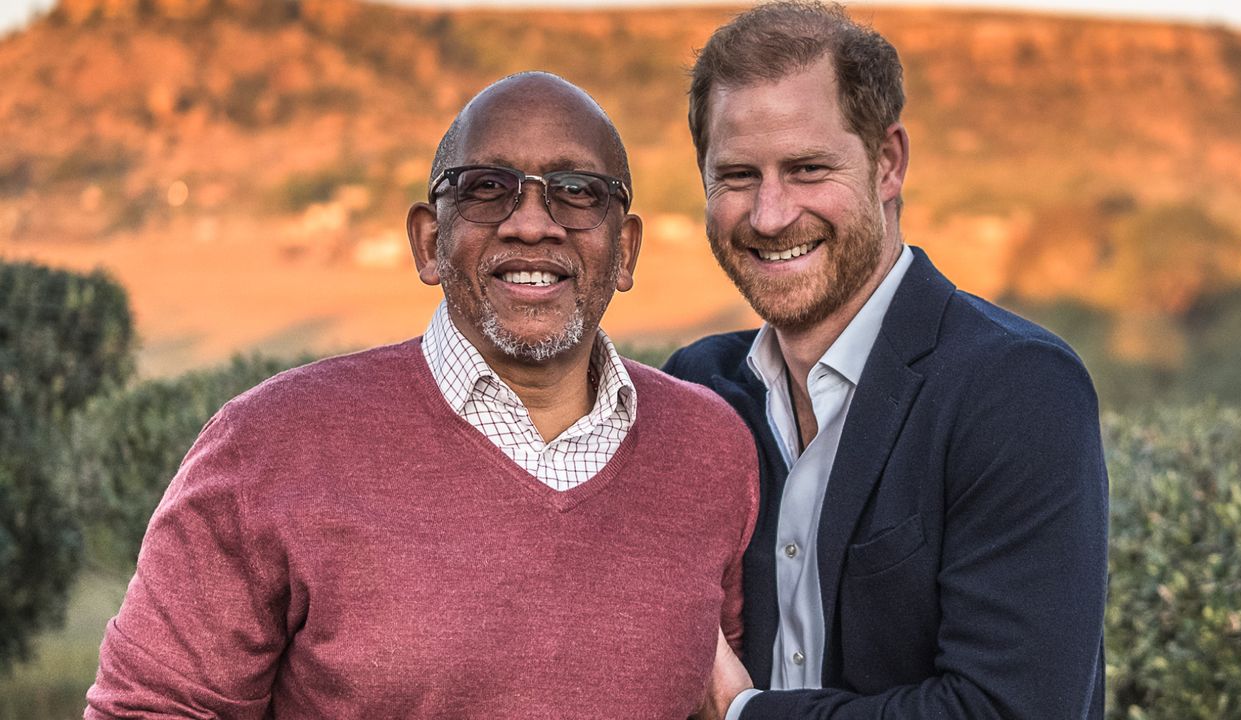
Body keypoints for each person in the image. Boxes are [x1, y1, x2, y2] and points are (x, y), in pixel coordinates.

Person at [86, 72, 758, 719]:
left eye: (576, 191)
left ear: (625, 251)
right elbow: (151, 709)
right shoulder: (273, 444)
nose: (531, 224)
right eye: (486, 189)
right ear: (430, 242)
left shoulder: (708, 450)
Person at [664, 3, 1109, 719]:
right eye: (739, 176)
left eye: (808, 169)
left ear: (888, 162)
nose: (770, 214)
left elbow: (1006, 710)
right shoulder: (697, 390)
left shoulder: (1017, 389)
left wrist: (744, 712)